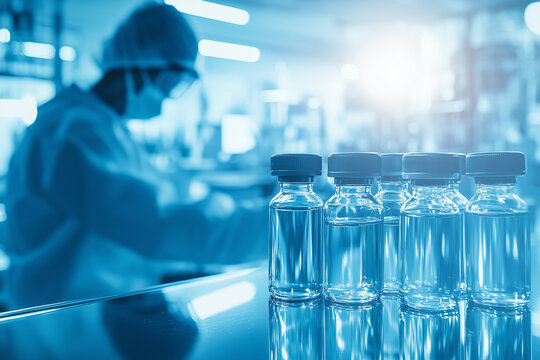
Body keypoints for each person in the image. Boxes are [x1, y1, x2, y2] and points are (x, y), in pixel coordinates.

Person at [4, 3, 267, 309]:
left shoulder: (107, 128)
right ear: (134, 64)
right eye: (169, 82)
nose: (168, 96)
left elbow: (164, 192)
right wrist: (280, 223)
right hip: (57, 321)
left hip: (94, 307)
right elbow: (160, 219)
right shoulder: (72, 133)